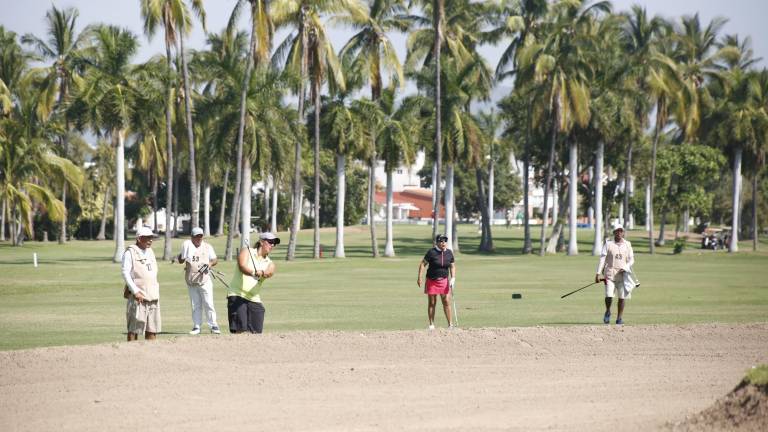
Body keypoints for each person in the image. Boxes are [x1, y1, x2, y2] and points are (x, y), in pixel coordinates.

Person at [227, 232, 279, 334]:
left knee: (256, 331)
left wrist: (262, 272)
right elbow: (242, 266)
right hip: (237, 294)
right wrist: (253, 272)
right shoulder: (247, 251)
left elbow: (270, 272)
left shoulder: (270, 263)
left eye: (274, 243)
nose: (272, 245)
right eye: (270, 242)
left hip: (254, 298)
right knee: (240, 329)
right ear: (261, 242)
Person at [177, 227, 221, 335]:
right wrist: (183, 254)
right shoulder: (187, 246)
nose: (199, 238)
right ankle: (197, 326)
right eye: (196, 236)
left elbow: (215, 259)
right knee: (195, 304)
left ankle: (213, 325)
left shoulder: (207, 247)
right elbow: (180, 260)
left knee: (208, 303)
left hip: (204, 280)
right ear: (192, 237)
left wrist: (209, 265)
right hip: (191, 280)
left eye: (200, 236)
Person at [121, 226, 161, 341]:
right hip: (138, 296)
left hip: (153, 295)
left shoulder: (150, 251)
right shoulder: (130, 252)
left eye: (151, 237)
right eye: (147, 238)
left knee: (152, 329)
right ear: (139, 238)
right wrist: (135, 291)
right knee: (134, 330)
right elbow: (125, 273)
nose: (150, 240)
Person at [595, 223, 635, 325]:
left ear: (623, 232)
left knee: (622, 298)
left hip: (623, 275)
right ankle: (608, 311)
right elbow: (602, 259)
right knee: (609, 295)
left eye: (621, 231)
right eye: (617, 231)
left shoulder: (627, 244)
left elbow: (631, 260)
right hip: (609, 274)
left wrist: (625, 267)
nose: (619, 233)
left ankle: (619, 318)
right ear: (614, 232)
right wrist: (598, 273)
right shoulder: (608, 244)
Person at [417, 234, 456, 330]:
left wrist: (453, 278)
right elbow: (423, 264)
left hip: (444, 281)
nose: (443, 243)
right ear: (437, 242)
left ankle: (450, 325)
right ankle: (431, 325)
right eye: (441, 241)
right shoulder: (431, 252)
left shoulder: (449, 253)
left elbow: (452, 266)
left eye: (445, 241)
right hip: (432, 281)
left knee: (446, 301)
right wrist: (419, 277)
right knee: (432, 302)